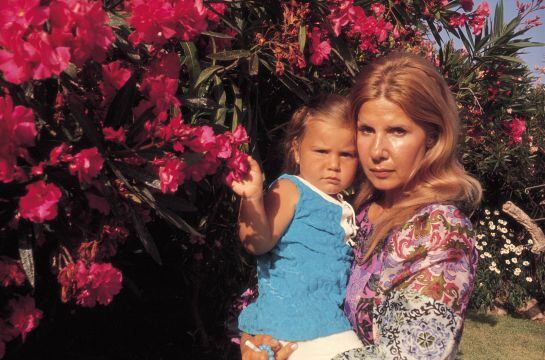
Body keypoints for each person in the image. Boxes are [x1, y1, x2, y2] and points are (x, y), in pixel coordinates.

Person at [241, 51, 482, 360]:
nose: (377, 151)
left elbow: (412, 353)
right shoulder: (361, 211)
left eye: (397, 131)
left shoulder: (440, 230)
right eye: (367, 130)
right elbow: (288, 276)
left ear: (433, 138)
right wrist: (256, 339)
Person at [229, 94, 365, 360]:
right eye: (322, 151)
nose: (334, 165)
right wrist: (253, 198)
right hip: (290, 324)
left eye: (347, 154)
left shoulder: (341, 203)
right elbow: (258, 242)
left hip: (324, 322)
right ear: (296, 149)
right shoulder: (291, 188)